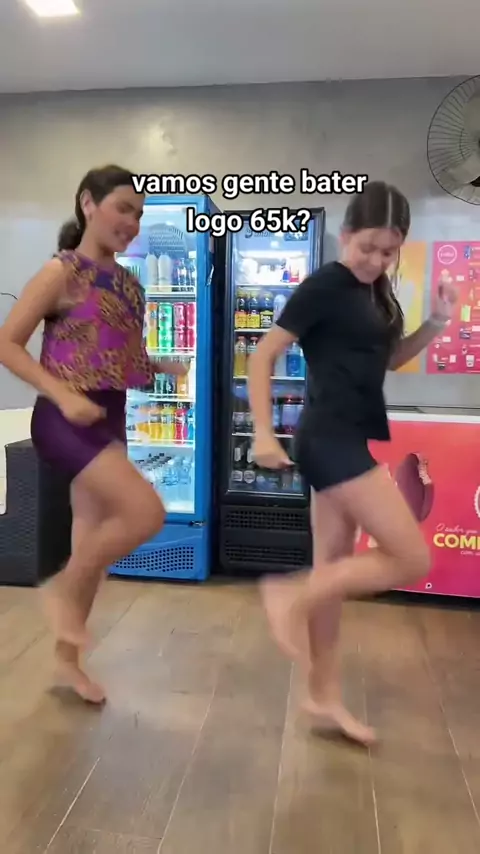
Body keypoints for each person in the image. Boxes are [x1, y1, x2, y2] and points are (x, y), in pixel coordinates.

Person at [248, 181, 458, 744]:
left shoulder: (377, 294)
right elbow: (262, 356)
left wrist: (437, 322)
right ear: (345, 235)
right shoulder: (324, 286)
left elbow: (388, 359)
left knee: (334, 571)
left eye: (389, 251)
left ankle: (323, 696)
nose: (376, 260)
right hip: (328, 439)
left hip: (348, 437)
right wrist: (264, 433)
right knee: (411, 557)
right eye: (367, 247)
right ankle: (289, 594)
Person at [0, 164, 187, 704]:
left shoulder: (130, 285)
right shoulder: (60, 272)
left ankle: (67, 663)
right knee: (145, 514)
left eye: (138, 214)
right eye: (122, 208)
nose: (132, 222)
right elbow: (7, 343)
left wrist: (160, 367)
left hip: (109, 416)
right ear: (88, 203)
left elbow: (119, 357)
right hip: (64, 418)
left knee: (91, 542)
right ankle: (61, 590)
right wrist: (61, 395)